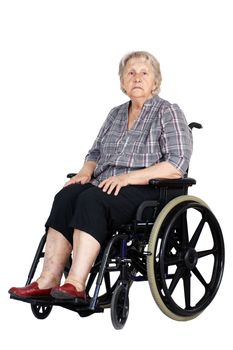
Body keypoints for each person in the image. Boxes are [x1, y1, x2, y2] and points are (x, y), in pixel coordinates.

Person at [9, 51, 193, 301]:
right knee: (66, 196)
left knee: (91, 200)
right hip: (106, 184)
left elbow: (176, 163)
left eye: (143, 73)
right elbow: (95, 152)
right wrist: (85, 172)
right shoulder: (116, 113)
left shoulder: (167, 112)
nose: (137, 78)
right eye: (130, 73)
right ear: (122, 81)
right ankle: (48, 279)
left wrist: (128, 177)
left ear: (155, 81)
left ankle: (75, 283)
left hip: (148, 189)